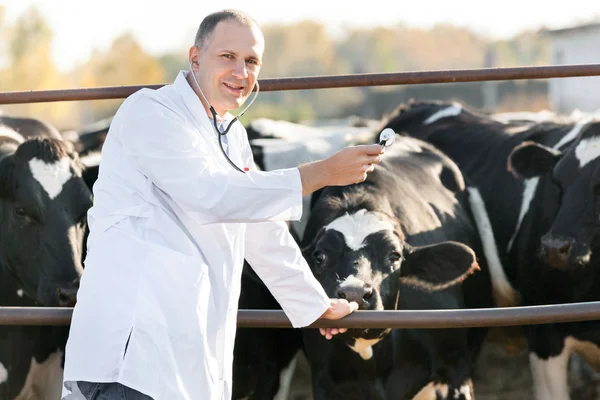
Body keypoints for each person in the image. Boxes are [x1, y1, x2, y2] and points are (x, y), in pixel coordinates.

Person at [61, 8, 385, 400]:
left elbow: (261, 229)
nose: (241, 72)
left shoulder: (231, 138)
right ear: (195, 57)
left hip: (185, 355)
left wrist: (314, 306)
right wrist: (321, 173)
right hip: (131, 354)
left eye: (251, 61)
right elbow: (210, 196)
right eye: (227, 57)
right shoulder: (150, 113)